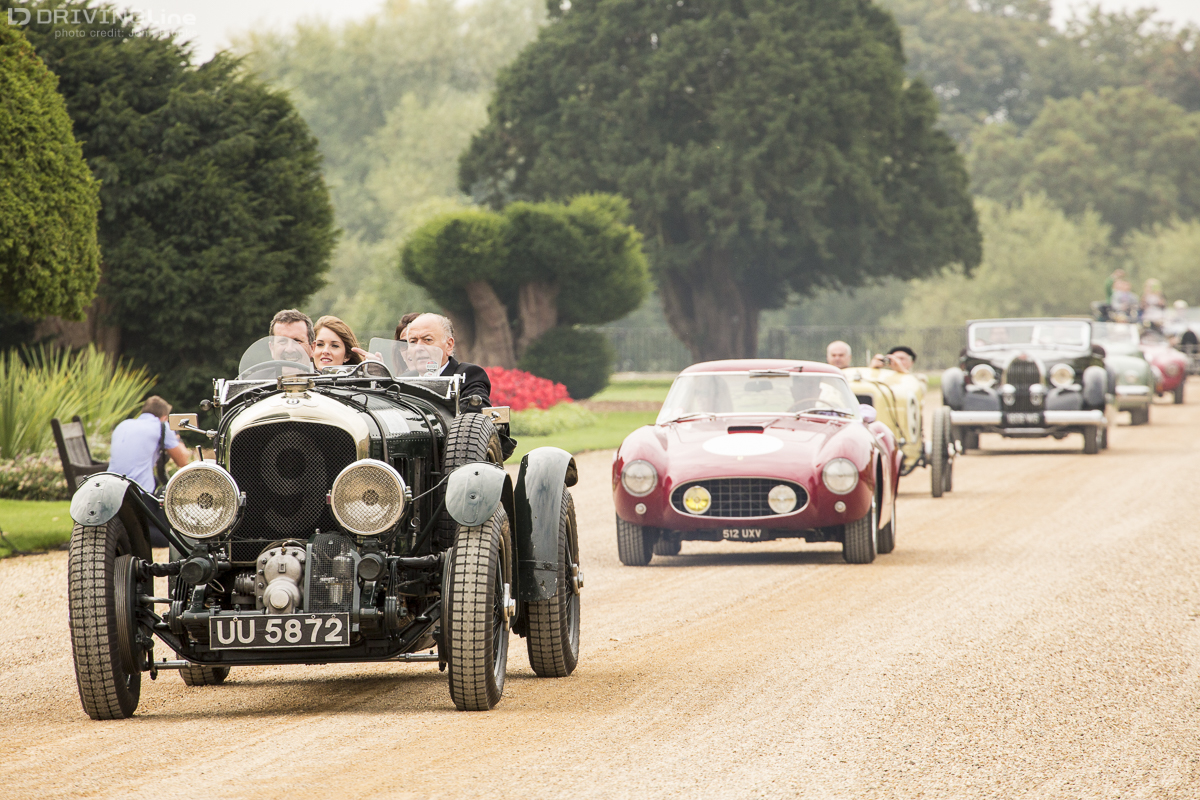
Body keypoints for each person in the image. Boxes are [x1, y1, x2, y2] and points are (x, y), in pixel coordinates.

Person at [404, 313, 491, 408]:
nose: (418, 348)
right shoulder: (402, 381)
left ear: (449, 345)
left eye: (428, 340)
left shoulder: (468, 375)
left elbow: (474, 415)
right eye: (413, 342)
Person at [109, 396, 190, 495]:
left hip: (111, 489)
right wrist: (176, 436)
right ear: (164, 417)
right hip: (138, 494)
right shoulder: (161, 426)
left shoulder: (123, 425)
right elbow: (183, 461)